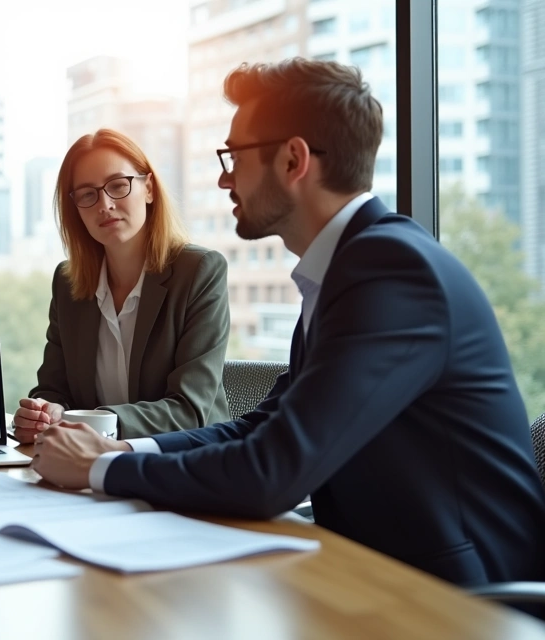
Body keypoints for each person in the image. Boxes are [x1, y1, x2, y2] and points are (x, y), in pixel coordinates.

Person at [30, 58, 545, 587]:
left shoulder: (391, 271)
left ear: (294, 160)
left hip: (465, 596)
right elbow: (262, 425)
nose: (224, 177)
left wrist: (100, 468)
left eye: (235, 157)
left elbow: (274, 470)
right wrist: (121, 449)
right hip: (372, 573)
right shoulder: (346, 268)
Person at [13, 129, 230, 442]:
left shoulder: (199, 271)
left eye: (118, 185)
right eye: (87, 194)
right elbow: (53, 389)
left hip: (184, 460)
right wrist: (44, 412)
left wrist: (97, 422)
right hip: (91, 462)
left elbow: (189, 410)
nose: (105, 204)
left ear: (149, 188)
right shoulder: (68, 283)